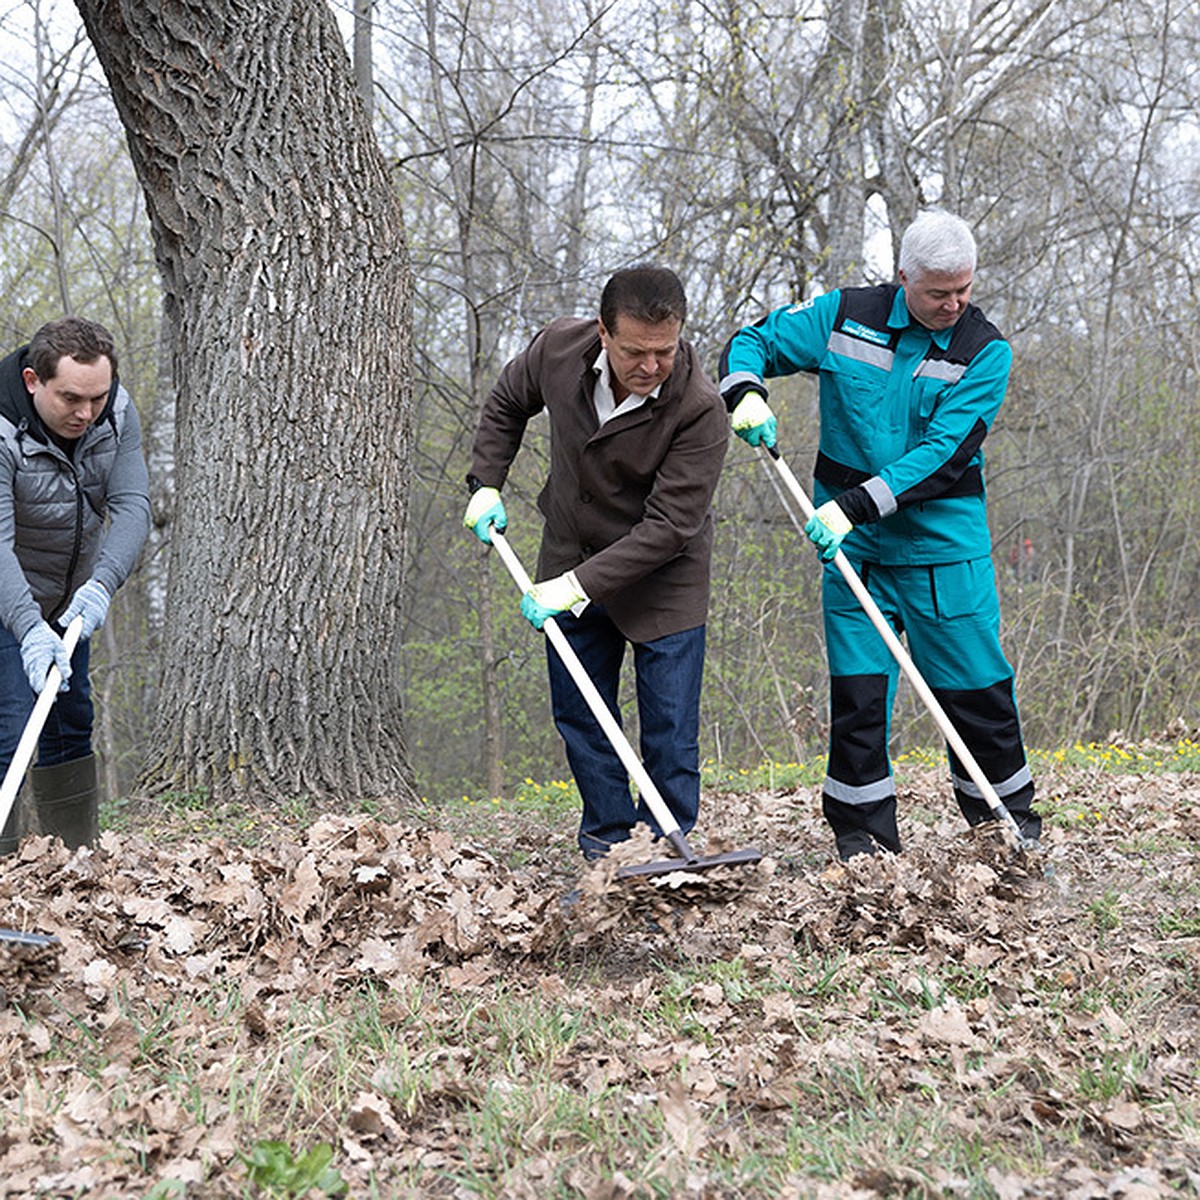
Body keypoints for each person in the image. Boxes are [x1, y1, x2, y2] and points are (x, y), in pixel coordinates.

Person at [718, 209, 1040, 859]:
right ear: (903, 280)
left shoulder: (986, 351)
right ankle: (863, 841)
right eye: (937, 292)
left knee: (976, 690)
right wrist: (746, 392)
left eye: (964, 290)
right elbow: (752, 342)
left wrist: (852, 507)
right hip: (856, 553)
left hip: (942, 552)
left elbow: (944, 456)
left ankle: (1007, 830)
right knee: (859, 695)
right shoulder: (844, 315)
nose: (953, 304)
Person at [463, 266, 729, 859]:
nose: (651, 366)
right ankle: (608, 846)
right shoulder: (559, 349)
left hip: (665, 579)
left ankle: (665, 851)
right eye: (635, 351)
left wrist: (575, 587)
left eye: (665, 350)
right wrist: (486, 481)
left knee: (669, 732)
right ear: (604, 334)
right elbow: (509, 400)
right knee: (582, 716)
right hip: (569, 551)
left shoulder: (700, 408)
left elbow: (670, 526)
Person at [0, 316, 151, 854]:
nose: (86, 413)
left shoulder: (116, 414)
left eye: (97, 397)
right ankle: (8, 870)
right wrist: (28, 628)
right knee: (12, 725)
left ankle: (71, 861)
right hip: (5, 595)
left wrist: (101, 585)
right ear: (33, 382)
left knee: (70, 721)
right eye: (70, 399)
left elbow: (132, 504)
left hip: (72, 599)